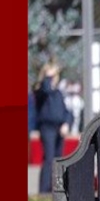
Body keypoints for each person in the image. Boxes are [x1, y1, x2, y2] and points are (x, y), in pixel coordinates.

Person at [34, 59, 73, 193]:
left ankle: (55, 190)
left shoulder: (58, 93)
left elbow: (67, 111)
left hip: (59, 129)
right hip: (47, 128)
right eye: (52, 75)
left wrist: (66, 123)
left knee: (58, 159)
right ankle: (44, 190)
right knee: (49, 158)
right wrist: (48, 75)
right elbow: (45, 89)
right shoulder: (42, 91)